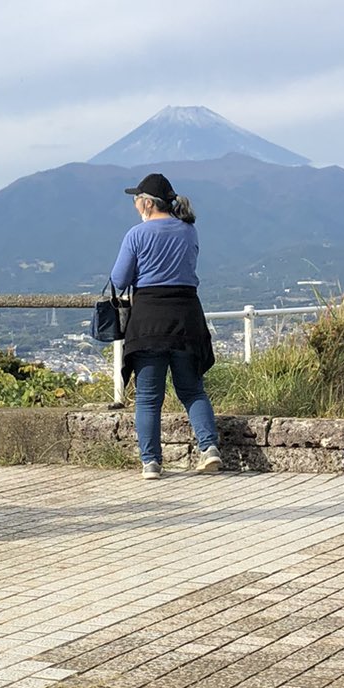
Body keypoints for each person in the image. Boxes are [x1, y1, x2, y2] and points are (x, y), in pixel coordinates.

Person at [111, 172, 221, 480]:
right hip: (187, 316)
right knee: (192, 389)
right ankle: (209, 448)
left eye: (136, 200)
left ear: (147, 203)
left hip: (148, 319)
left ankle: (151, 463)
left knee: (148, 396)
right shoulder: (189, 231)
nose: (134, 205)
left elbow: (119, 280)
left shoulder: (136, 235)